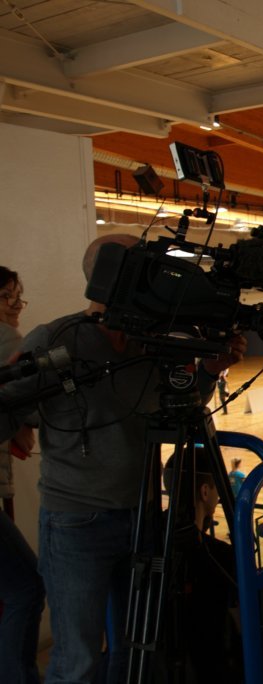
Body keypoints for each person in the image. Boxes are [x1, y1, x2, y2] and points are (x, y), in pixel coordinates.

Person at [0, 235, 245, 684]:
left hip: (143, 518)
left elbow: (183, 407)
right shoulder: (56, 340)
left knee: (137, 653)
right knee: (77, 661)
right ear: (112, 274)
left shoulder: (152, 345)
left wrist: (210, 372)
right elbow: (9, 414)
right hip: (77, 524)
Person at [161, 449, 242, 683]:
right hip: (210, 669)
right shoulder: (221, 556)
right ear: (205, 492)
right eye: (217, 490)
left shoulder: (147, 543)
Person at [0, 265, 43, 684]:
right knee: (26, 586)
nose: (14, 306)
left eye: (17, 296)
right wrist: (25, 419)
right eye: (5, 297)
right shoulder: (6, 338)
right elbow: (36, 398)